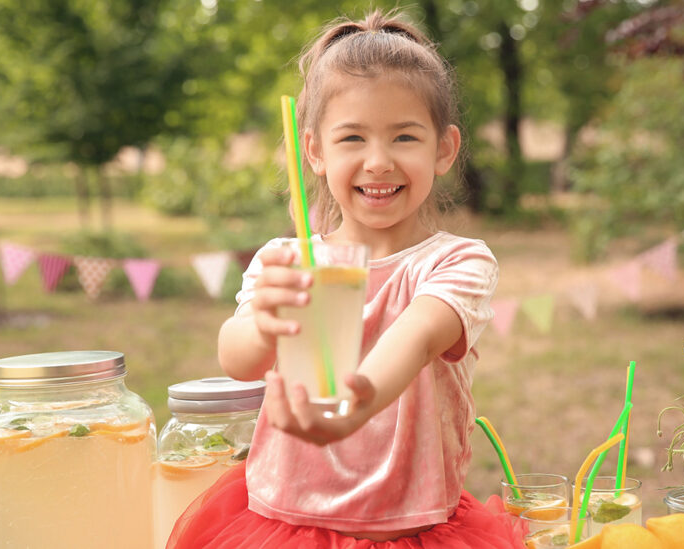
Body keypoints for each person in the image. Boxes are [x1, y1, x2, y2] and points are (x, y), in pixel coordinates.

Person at [169, 9, 521, 549]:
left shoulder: (459, 263)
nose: (378, 162)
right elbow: (237, 359)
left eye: (404, 137)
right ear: (314, 151)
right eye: (352, 138)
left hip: (414, 528)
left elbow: (415, 337)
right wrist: (264, 324)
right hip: (282, 521)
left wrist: (351, 406)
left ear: (444, 149)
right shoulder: (285, 260)